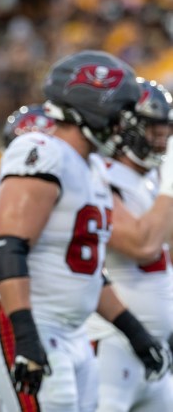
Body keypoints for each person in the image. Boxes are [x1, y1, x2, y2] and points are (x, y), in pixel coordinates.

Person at [0, 50, 170, 411]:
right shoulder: (43, 150)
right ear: (96, 106)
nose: (126, 125)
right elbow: (10, 246)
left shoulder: (92, 166)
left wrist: (136, 332)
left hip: (74, 332)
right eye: (122, 113)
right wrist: (27, 335)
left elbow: (87, 271)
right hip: (33, 323)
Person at [86, 78, 173, 411]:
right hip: (114, 343)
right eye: (154, 130)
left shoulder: (150, 179)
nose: (162, 142)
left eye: (166, 131)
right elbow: (141, 244)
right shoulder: (101, 174)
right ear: (126, 127)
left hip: (155, 348)